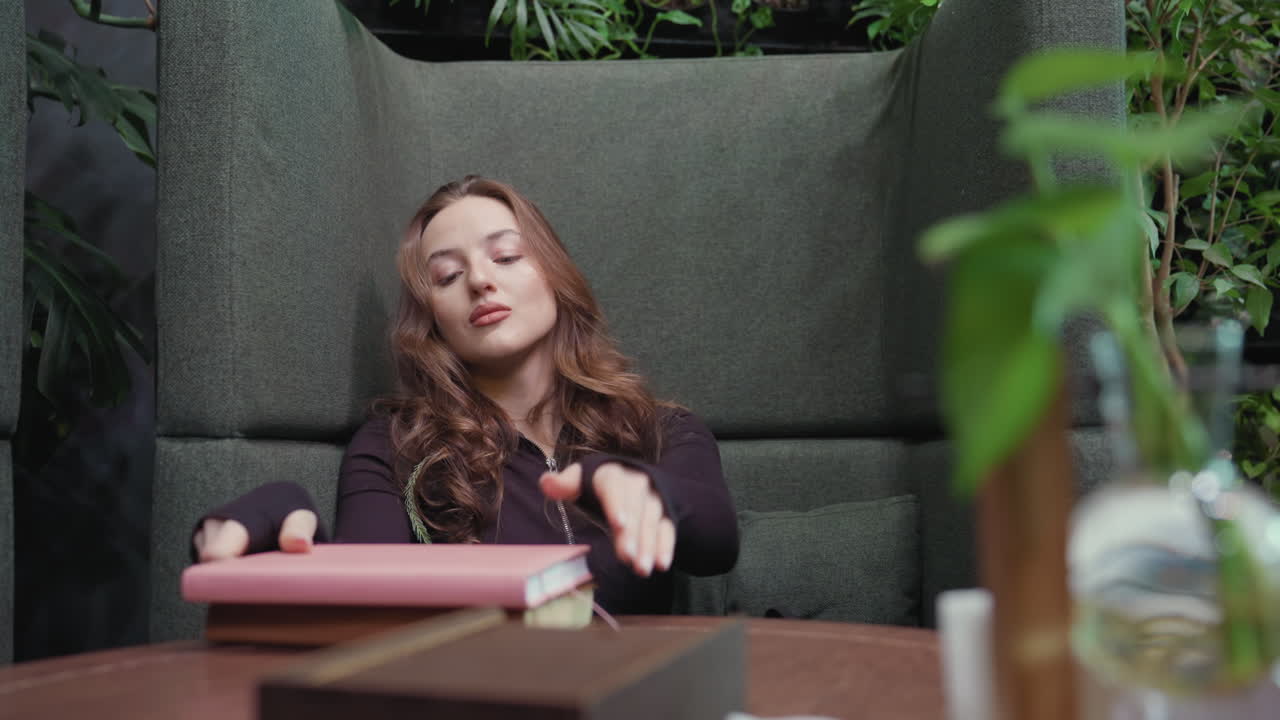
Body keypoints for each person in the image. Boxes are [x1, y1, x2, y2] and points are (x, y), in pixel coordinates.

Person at [191, 176, 739, 614]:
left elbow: (716, 541)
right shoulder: (393, 445)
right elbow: (365, 598)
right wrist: (285, 539)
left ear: (555, 276)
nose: (480, 280)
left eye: (506, 257)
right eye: (448, 275)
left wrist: (648, 491)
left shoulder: (662, 429)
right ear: (433, 319)